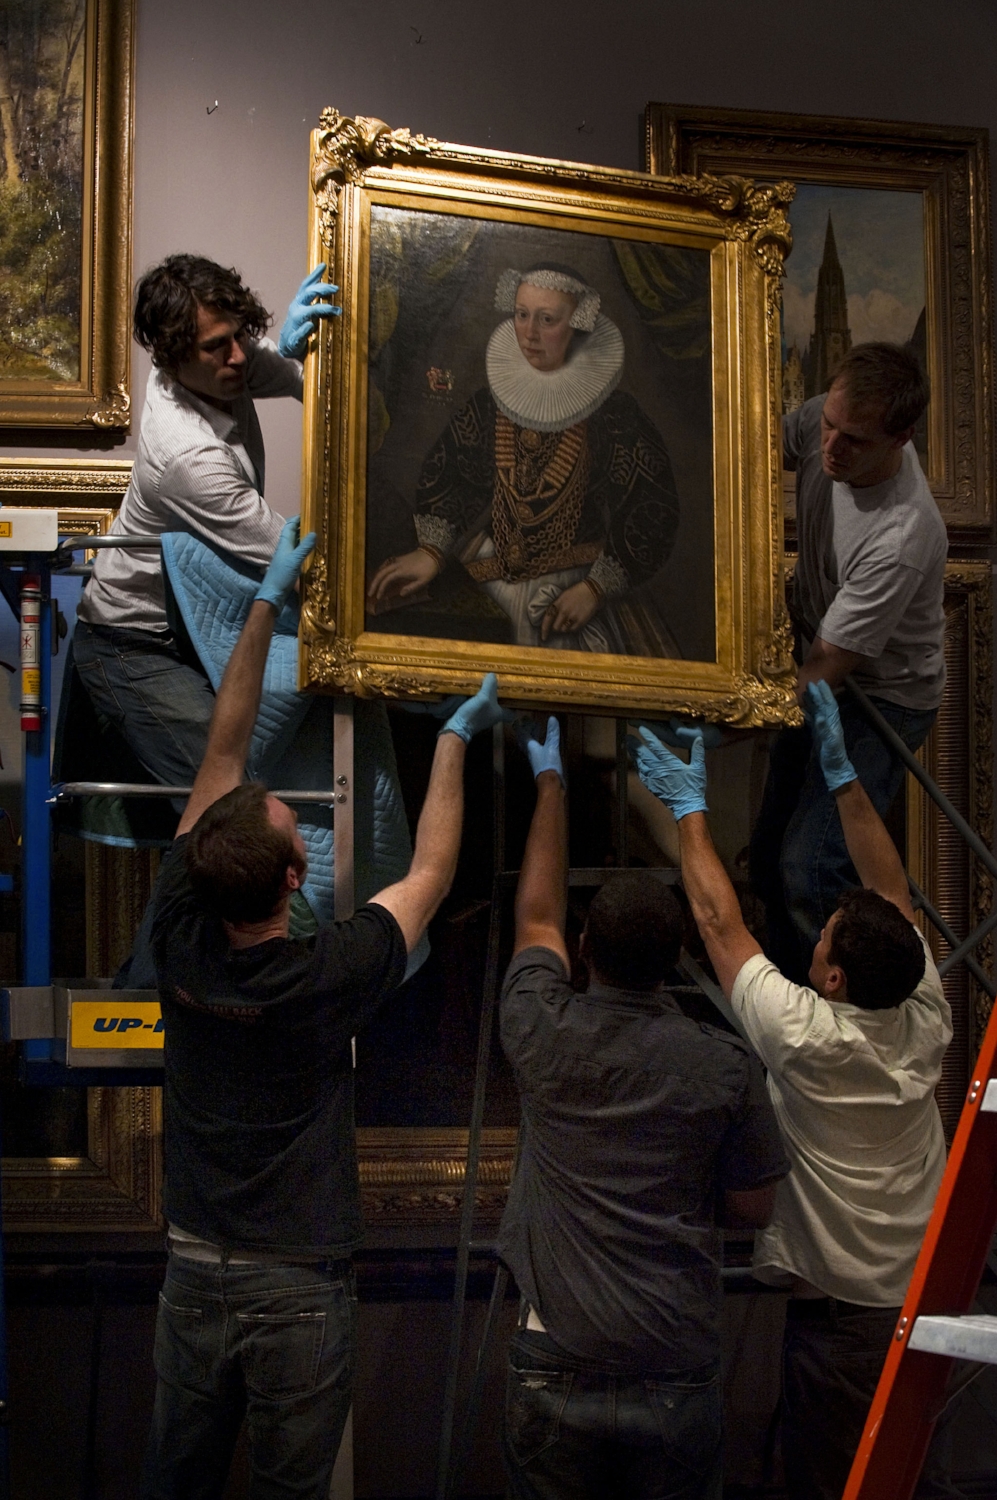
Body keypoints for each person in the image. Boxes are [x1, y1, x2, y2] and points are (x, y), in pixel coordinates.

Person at [141, 518, 510, 1500]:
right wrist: (455, 741)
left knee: (173, 1482)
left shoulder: (176, 929)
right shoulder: (328, 972)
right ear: (298, 870)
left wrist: (262, 604)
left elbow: (221, 751)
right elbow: (431, 869)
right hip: (297, 1285)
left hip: (192, 1270)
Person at [633, 691, 953, 1500]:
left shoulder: (808, 1037)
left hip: (844, 1328)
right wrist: (847, 782)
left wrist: (689, 809)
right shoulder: (922, 1010)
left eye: (821, 941)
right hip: (915, 1305)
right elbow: (890, 891)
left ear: (835, 978)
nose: (812, 939)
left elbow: (717, 922)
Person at [495, 716, 789, 1499]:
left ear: (586, 951)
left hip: (556, 1354)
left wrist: (550, 785)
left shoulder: (539, 1028)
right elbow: (754, 1205)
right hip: (672, 1358)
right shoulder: (721, 1065)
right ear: (673, 964)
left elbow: (535, 919)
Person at [73, 254, 338, 790]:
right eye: (218, 345)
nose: (240, 356)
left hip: (192, 621)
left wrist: (309, 356)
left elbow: (303, 382)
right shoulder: (188, 455)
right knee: (229, 803)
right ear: (172, 358)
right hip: (132, 641)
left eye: (241, 335)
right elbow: (299, 555)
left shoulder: (218, 361)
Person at [749, 341, 946, 982]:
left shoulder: (901, 536)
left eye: (853, 440)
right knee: (767, 860)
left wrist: (727, 718)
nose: (830, 446)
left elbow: (823, 675)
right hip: (822, 655)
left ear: (901, 438)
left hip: (881, 696)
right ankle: (786, 1011)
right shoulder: (822, 418)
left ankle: (844, 1026)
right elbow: (749, 448)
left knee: (811, 867)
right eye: (828, 425)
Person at [367, 263, 680, 653]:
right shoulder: (487, 407)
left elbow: (652, 508)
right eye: (521, 314)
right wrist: (430, 551)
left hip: (575, 589)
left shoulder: (615, 417)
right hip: (490, 576)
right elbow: (450, 475)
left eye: (547, 319)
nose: (529, 333)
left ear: (578, 324)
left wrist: (594, 588)